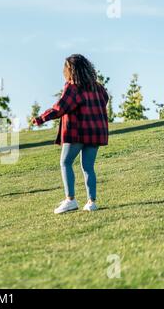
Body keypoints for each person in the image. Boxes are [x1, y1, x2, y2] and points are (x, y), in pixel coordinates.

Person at [32, 54, 109, 214]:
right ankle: (91, 202)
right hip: (95, 131)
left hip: (77, 131)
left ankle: (70, 200)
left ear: (70, 70)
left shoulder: (73, 87)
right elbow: (104, 100)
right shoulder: (99, 87)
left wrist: (41, 118)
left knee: (65, 163)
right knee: (88, 167)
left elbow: (61, 108)